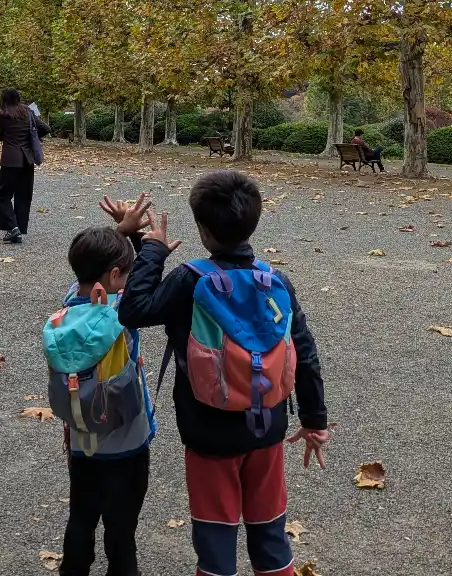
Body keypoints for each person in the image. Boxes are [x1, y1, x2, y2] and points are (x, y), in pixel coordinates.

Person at [117, 170, 329, 576]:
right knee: (270, 535)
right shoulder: (275, 281)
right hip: (267, 427)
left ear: (202, 230)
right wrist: (314, 421)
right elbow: (303, 351)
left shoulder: (190, 279)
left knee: (215, 539)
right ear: (254, 222)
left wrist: (152, 250)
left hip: (207, 430)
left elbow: (134, 310)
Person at [46, 202, 159, 576]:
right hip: (127, 442)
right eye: (122, 276)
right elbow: (144, 284)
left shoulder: (65, 310)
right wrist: (147, 244)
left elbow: (93, 277)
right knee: (121, 530)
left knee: (81, 517)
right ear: (114, 277)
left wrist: (119, 235)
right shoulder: (122, 312)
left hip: (83, 442)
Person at [0, 88, 49, 244]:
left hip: (10, 159)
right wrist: (32, 138)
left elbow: (0, 135)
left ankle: (12, 228)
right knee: (23, 196)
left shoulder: (3, 115)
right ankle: (19, 228)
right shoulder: (28, 112)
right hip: (27, 160)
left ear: (4, 99)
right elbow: (45, 128)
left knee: (3, 196)